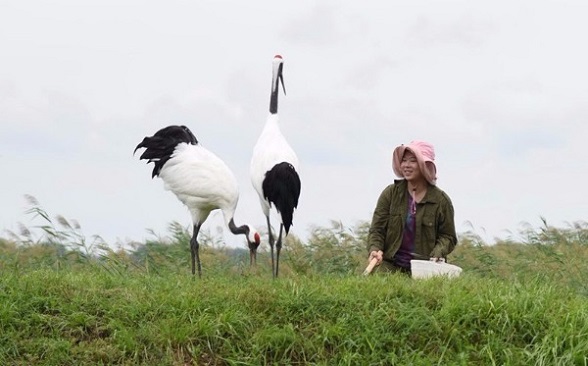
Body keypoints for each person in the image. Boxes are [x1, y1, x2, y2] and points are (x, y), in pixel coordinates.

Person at [366, 140, 457, 275]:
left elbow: (448, 236)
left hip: (426, 269)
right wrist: (375, 249)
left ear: (425, 166)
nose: (406, 165)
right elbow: (377, 230)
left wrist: (438, 253)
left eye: (413, 161)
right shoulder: (390, 194)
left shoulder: (441, 201)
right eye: (404, 160)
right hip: (391, 265)